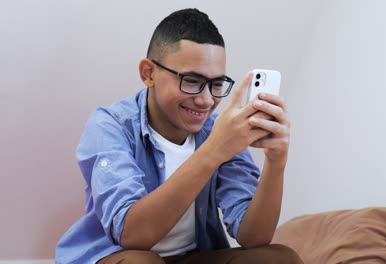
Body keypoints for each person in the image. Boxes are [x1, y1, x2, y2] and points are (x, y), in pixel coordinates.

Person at [56, 8, 302, 264]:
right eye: (192, 80)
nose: (206, 100)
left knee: (281, 258)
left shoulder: (217, 132)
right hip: (122, 256)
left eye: (217, 84)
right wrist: (213, 151)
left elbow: (253, 237)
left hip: (193, 257)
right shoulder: (110, 125)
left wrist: (276, 163)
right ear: (148, 73)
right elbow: (133, 236)